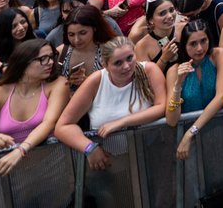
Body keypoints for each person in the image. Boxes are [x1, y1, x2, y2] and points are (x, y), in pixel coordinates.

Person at [53, 38, 166, 195]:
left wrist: (122, 122)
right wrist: (89, 148)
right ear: (105, 65)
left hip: (153, 159)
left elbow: (161, 107)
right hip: (111, 165)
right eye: (118, 63)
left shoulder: (149, 70)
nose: (126, 66)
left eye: (129, 58)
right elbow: (63, 126)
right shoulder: (96, 81)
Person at [0, 39, 70, 175]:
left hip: (53, 170)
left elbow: (49, 123)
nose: (50, 62)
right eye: (43, 59)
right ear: (24, 63)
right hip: (11, 174)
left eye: (51, 57)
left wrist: (21, 150)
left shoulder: (58, 84)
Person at [163, 19, 223, 160]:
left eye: (204, 41)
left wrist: (191, 132)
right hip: (191, 144)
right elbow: (171, 120)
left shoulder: (217, 55)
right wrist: (178, 85)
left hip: (220, 130)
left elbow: (221, 96)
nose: (200, 48)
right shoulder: (174, 71)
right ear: (184, 46)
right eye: (193, 44)